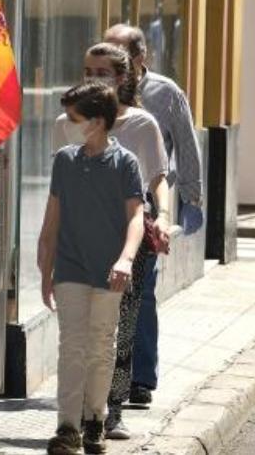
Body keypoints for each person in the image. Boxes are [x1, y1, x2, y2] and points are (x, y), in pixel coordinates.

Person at [54, 43, 171, 441]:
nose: (93, 78)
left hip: (127, 243)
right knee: (78, 335)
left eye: (102, 71)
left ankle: (108, 412)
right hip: (77, 243)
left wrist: (163, 219)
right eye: (88, 70)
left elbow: (158, 180)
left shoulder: (142, 125)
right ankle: (79, 417)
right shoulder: (66, 124)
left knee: (118, 328)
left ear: (122, 78)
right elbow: (62, 185)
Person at [39, 82, 146, 455]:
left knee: (101, 346)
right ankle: (67, 428)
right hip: (70, 268)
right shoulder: (64, 161)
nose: (67, 123)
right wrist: (44, 270)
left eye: (74, 118)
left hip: (109, 271)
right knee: (71, 346)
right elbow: (52, 220)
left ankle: (95, 420)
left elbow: (136, 218)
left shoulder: (125, 164)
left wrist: (125, 259)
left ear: (97, 122)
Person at [104, 24, 204, 408]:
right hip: (102, 203)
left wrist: (191, 198)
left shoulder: (165, 93)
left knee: (141, 295)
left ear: (140, 58)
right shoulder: (99, 93)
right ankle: (108, 377)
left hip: (146, 205)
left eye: (118, 52)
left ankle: (139, 378)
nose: (108, 59)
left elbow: (186, 144)